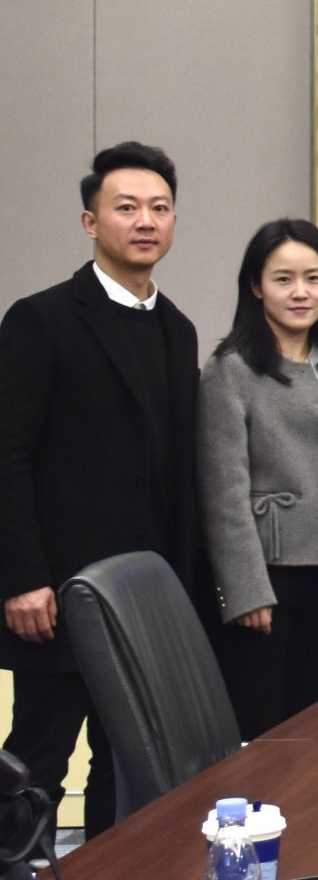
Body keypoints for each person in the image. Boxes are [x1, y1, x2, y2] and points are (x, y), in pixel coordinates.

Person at [0, 142, 201, 838]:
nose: (145, 221)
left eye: (159, 208)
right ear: (91, 222)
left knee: (131, 772)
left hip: (144, 602)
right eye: (127, 207)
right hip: (55, 595)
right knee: (36, 765)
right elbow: (8, 456)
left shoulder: (178, 329)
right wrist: (23, 579)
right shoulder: (41, 319)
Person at [199, 219, 318, 740]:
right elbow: (222, 492)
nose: (300, 292)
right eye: (283, 279)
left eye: (314, 278)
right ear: (255, 286)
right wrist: (246, 591)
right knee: (259, 732)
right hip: (266, 574)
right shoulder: (231, 369)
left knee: (305, 723)